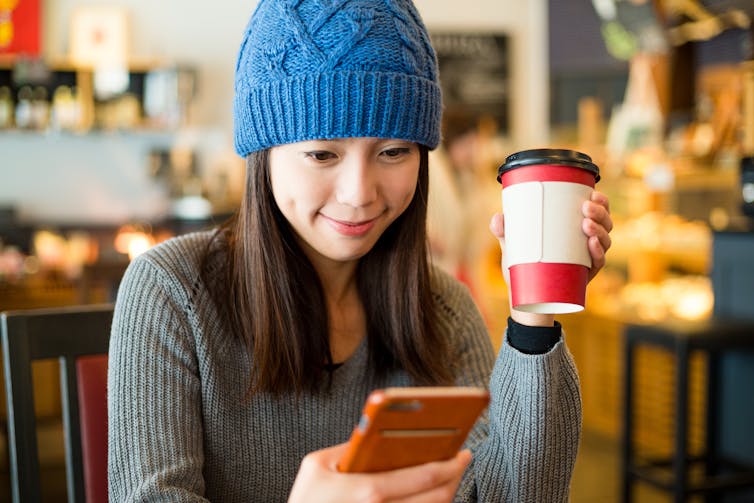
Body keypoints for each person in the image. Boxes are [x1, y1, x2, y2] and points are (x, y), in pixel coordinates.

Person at [107, 1, 613, 502]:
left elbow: (512, 496)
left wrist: (534, 316)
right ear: (263, 157)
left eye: (393, 152)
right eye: (322, 154)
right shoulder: (172, 291)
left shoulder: (441, 309)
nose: (359, 194)